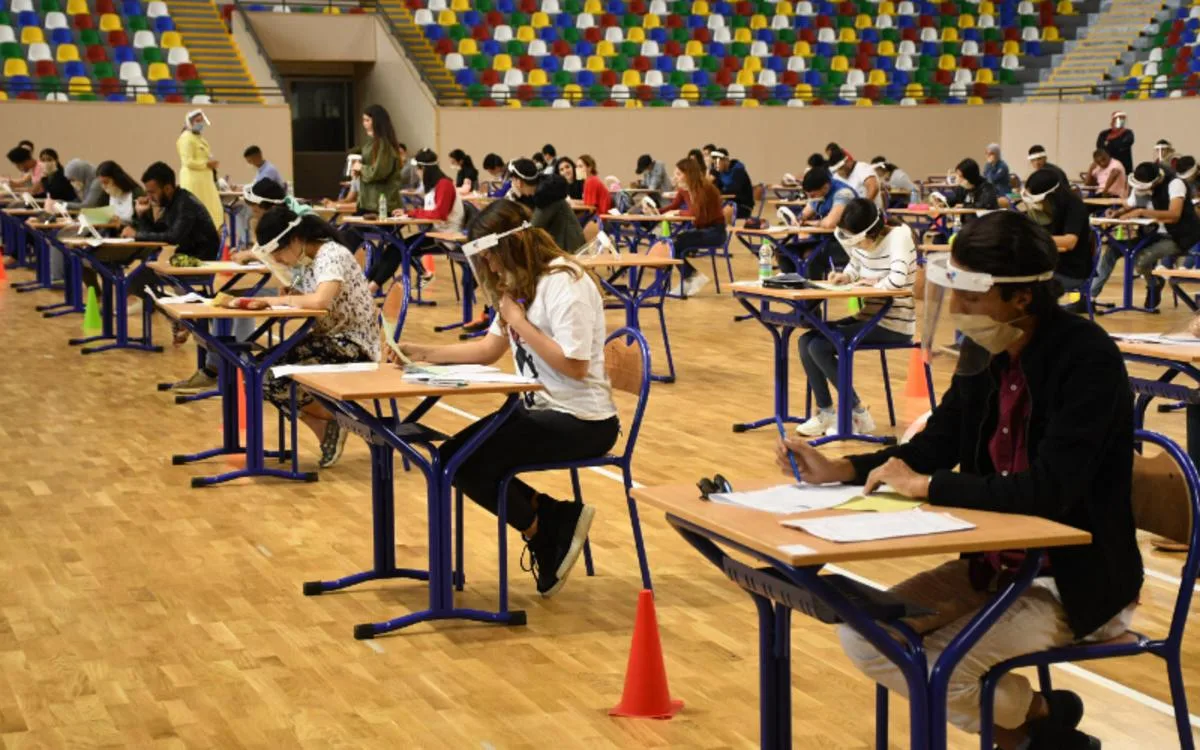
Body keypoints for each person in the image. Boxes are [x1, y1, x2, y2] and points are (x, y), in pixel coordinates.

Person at [778, 211, 1140, 750]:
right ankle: (1042, 720)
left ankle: (1038, 735)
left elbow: (1047, 491)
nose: (958, 309)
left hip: (1072, 579)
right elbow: (935, 444)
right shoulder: (987, 351)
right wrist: (844, 469)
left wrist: (930, 486)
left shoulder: (1086, 358)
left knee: (939, 668)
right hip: (994, 566)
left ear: (1021, 297)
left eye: (971, 297)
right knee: (866, 637)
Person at [395, 199, 619, 597]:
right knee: (451, 458)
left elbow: (575, 366)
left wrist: (520, 322)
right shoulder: (521, 283)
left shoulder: (565, 282)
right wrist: (421, 353)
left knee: (464, 464)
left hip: (583, 420)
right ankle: (550, 517)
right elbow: (487, 349)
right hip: (539, 410)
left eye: (490, 256)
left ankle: (545, 529)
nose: (490, 267)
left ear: (510, 246)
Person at [252, 207, 380, 468]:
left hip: (353, 345)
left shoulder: (331, 255)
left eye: (278, 253)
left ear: (296, 240)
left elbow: (321, 300)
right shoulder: (309, 261)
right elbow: (313, 298)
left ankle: (337, 421)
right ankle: (328, 426)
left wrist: (279, 301)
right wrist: (294, 294)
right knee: (257, 371)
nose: (278, 260)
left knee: (265, 373)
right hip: (331, 339)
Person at [795, 198, 916, 436]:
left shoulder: (899, 236)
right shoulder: (863, 241)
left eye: (858, 240)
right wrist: (845, 277)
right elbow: (855, 265)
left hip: (894, 324)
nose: (856, 245)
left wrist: (868, 283)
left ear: (871, 231)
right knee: (805, 341)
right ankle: (826, 413)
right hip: (868, 318)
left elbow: (898, 280)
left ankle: (857, 414)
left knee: (820, 346)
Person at [123, 161, 223, 392]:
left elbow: (173, 236)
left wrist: (137, 234)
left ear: (167, 188)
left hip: (199, 261)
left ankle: (186, 320)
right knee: (138, 280)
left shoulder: (186, 203)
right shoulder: (173, 203)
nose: (149, 196)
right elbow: (159, 232)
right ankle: (182, 319)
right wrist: (144, 216)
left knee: (139, 279)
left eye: (152, 192)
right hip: (184, 259)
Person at [1092, 162, 1200, 309]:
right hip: (1151, 234)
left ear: (1155, 182)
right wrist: (1116, 213)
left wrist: (1142, 212)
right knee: (1112, 251)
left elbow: (1174, 215)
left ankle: (1153, 284)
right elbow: (1130, 205)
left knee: (1142, 259)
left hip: (1177, 237)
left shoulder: (1175, 184)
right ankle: (1090, 297)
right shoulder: (1141, 185)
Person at [371, 148, 465, 294]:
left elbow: (439, 214)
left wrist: (411, 213)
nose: (417, 173)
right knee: (393, 247)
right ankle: (367, 285)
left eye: (418, 169)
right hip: (434, 234)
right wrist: (410, 213)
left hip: (445, 238)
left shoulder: (444, 185)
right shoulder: (435, 186)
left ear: (424, 169)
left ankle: (370, 289)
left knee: (398, 249)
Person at [649, 157, 726, 296]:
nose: (675, 177)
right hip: (701, 230)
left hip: (715, 232)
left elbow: (696, 214)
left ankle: (691, 277)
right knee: (672, 244)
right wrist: (654, 212)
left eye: (679, 174)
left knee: (673, 244)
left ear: (689, 174)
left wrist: (678, 213)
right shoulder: (684, 189)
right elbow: (673, 206)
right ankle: (690, 277)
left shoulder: (705, 188)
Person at [1021, 168, 1094, 301]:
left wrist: (1033, 238)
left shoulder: (1074, 206)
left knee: (1024, 283)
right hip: (1051, 265)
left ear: (1049, 196)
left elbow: (1070, 241)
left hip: (1071, 271)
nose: (1036, 204)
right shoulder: (1047, 210)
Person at [508, 157, 586, 253]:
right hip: (564, 244)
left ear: (519, 182)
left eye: (512, 180)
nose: (512, 185)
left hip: (571, 248)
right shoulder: (541, 189)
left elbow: (533, 228)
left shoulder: (546, 194)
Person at [353, 106, 404, 217]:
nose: (364, 124)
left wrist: (360, 167)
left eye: (367, 120)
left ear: (377, 122)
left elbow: (378, 172)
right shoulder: (370, 143)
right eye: (363, 120)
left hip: (381, 203)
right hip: (367, 201)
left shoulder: (384, 145)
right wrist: (358, 172)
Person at [177, 109, 223, 230]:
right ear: (190, 122)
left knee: (213, 211)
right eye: (198, 121)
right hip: (193, 182)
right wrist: (206, 164)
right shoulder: (186, 138)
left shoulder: (199, 138)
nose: (201, 123)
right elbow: (188, 162)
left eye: (202, 121)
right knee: (196, 213)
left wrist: (211, 164)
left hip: (205, 182)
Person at [828, 145, 882, 211]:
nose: (840, 172)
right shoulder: (836, 176)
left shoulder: (863, 168)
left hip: (871, 211)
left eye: (841, 168)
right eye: (837, 170)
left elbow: (873, 187)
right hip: (850, 213)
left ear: (848, 161)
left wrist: (863, 207)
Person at [710, 147, 755, 221]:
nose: (715, 166)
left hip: (743, 206)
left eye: (717, 163)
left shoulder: (738, 170)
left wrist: (721, 192)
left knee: (718, 213)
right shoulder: (720, 172)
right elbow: (716, 189)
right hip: (729, 204)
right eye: (714, 164)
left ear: (725, 160)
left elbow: (734, 190)